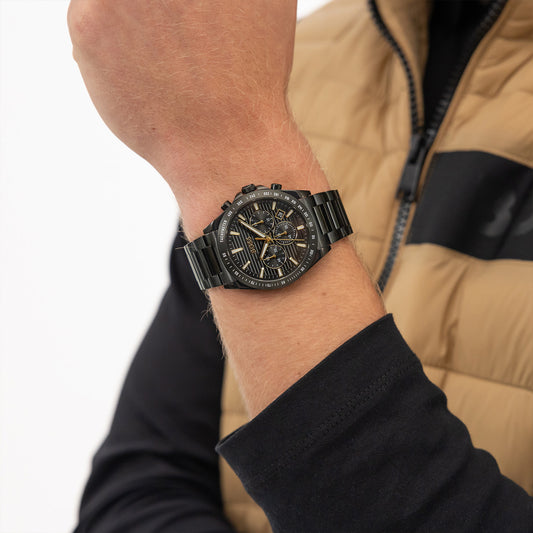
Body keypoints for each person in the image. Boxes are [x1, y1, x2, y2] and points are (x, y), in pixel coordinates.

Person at [68, 0, 533, 531]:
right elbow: (135, 491)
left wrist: (234, 145)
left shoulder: (248, 93)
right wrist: (234, 137)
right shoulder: (275, 66)